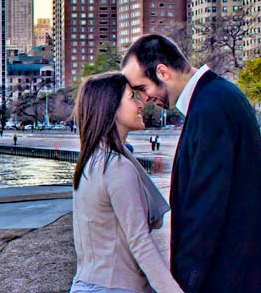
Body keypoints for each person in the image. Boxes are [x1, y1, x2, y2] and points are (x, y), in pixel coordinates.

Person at [122, 34, 261, 293]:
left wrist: (183, 283)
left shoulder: (209, 108)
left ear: (163, 72)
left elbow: (205, 209)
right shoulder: (217, 95)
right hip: (247, 270)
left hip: (235, 277)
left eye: (143, 88)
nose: (145, 99)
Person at [70, 72, 182, 293]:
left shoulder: (91, 162)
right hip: (116, 286)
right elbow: (140, 242)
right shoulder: (117, 167)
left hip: (88, 284)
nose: (140, 104)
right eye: (132, 97)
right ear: (111, 108)